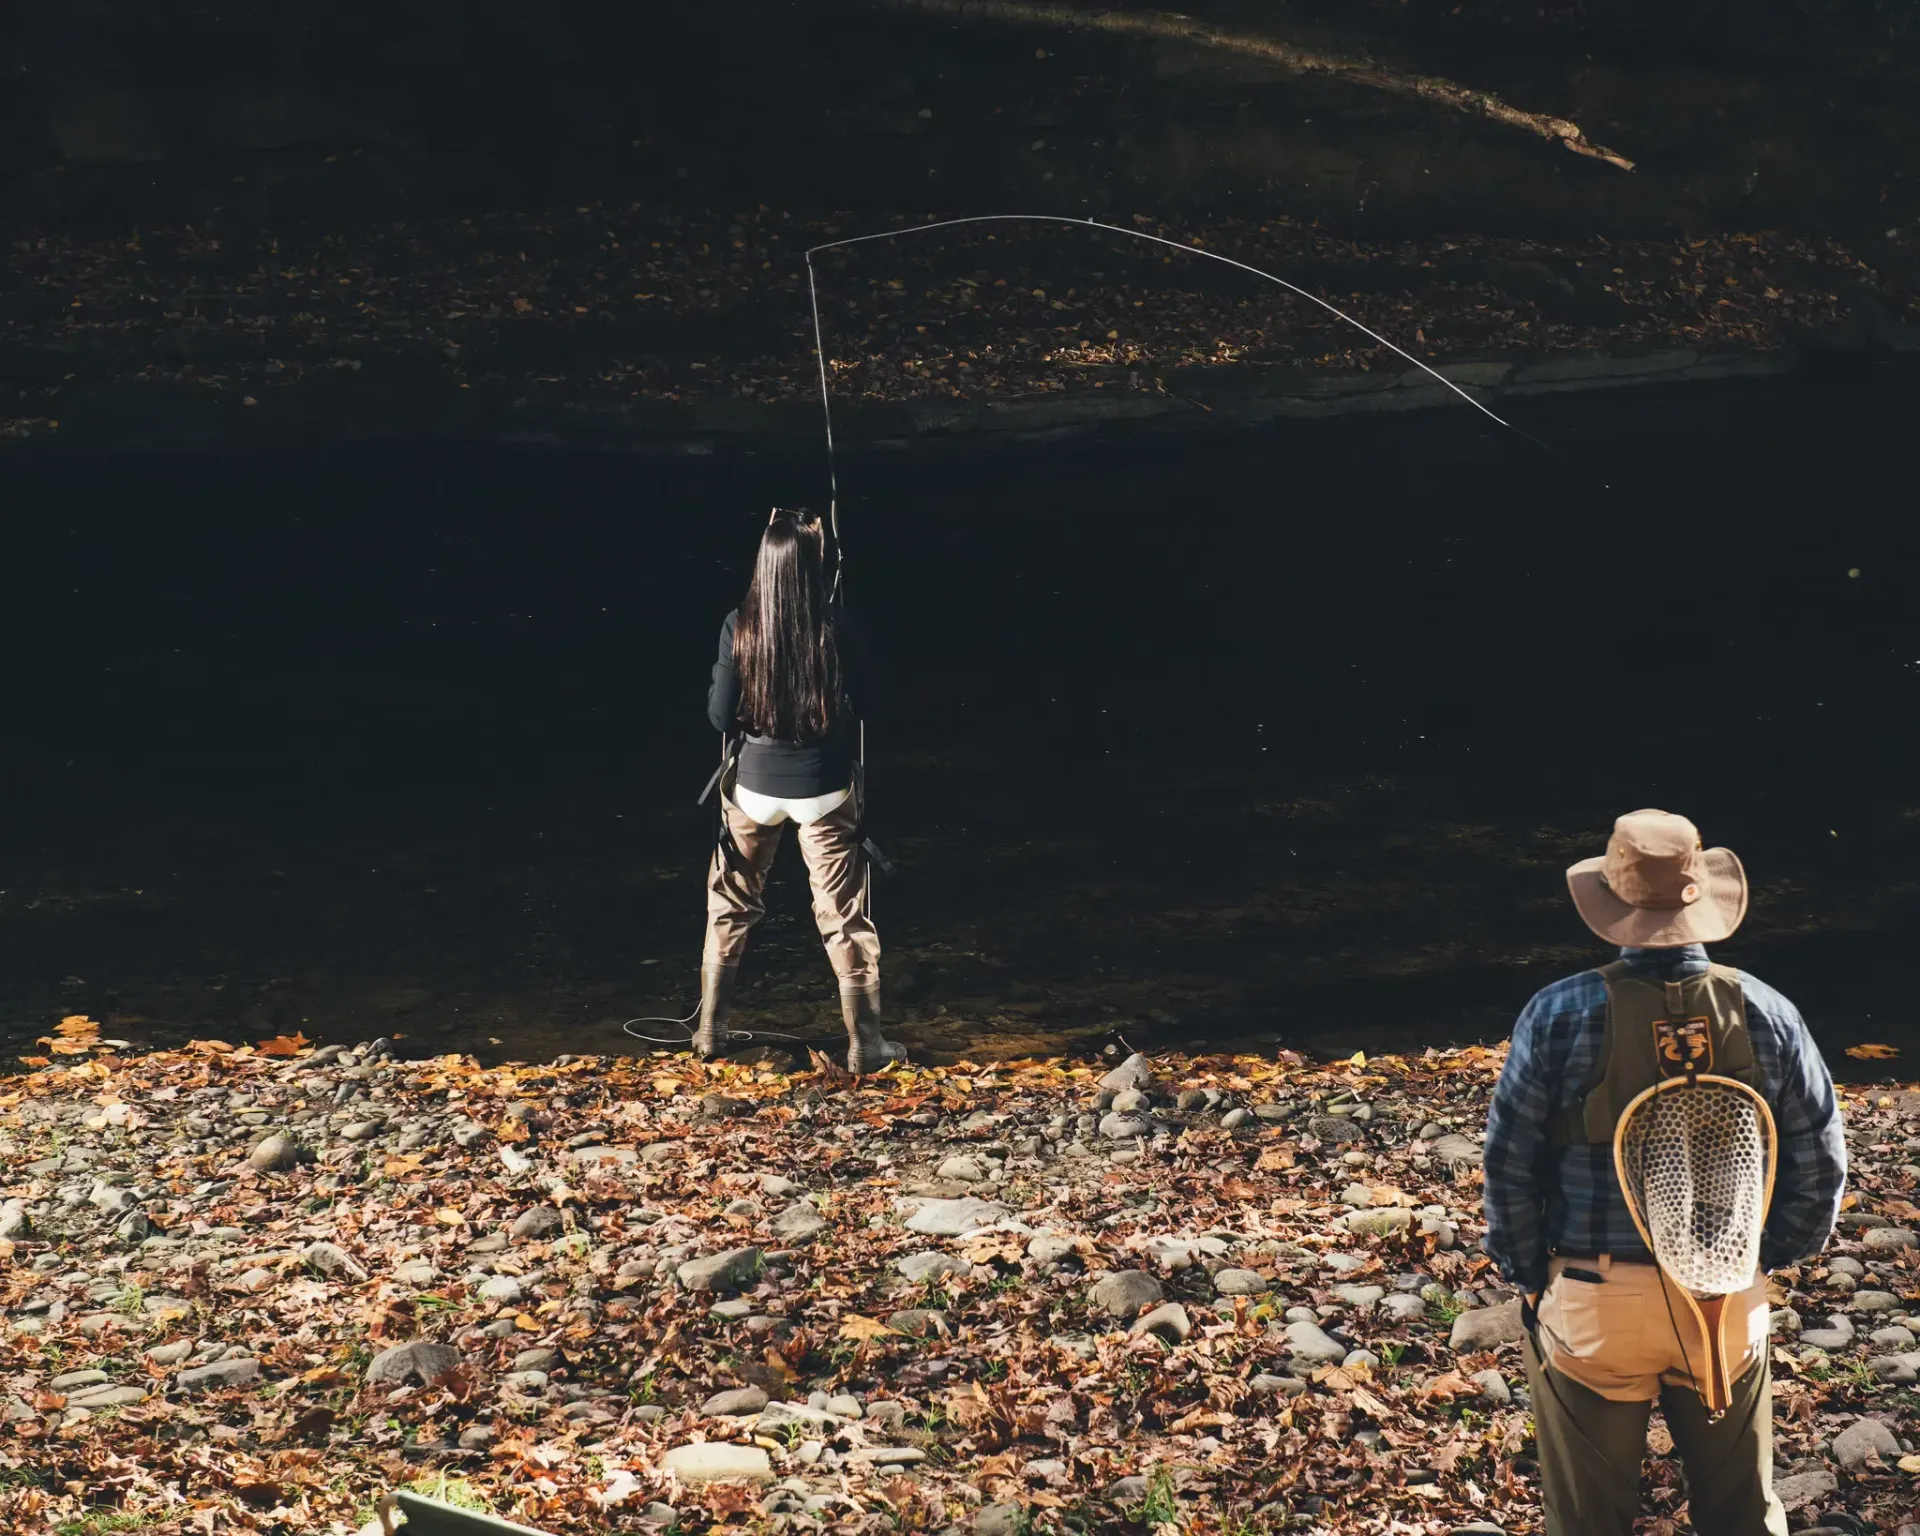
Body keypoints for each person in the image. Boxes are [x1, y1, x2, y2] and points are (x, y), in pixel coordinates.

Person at [1484, 809, 1846, 1536]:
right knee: (1742, 1513)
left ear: (1610, 909)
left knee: (1589, 1520)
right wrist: (1762, 1257)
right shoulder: (1769, 1012)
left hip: (1596, 1298)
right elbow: (1819, 1163)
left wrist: (1526, 1274)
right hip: (1724, 1294)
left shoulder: (1555, 1014)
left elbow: (1511, 1164)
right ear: (1701, 902)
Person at [696, 507, 904, 1074]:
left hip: (753, 788)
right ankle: (866, 1043)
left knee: (731, 903)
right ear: (816, 569)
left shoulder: (738, 623)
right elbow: (870, 709)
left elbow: (720, 719)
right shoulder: (839, 625)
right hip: (824, 787)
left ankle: (711, 1031)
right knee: (843, 916)